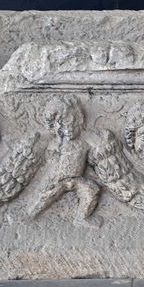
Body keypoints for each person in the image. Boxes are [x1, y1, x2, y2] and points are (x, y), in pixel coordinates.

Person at [27, 96, 102, 226]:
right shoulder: (57, 142)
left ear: (79, 119)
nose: (67, 129)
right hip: (59, 178)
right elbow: (51, 157)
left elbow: (92, 158)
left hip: (76, 179)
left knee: (91, 191)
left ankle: (81, 218)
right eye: (61, 124)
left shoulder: (85, 142)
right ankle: (30, 215)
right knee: (45, 197)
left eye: (71, 122)